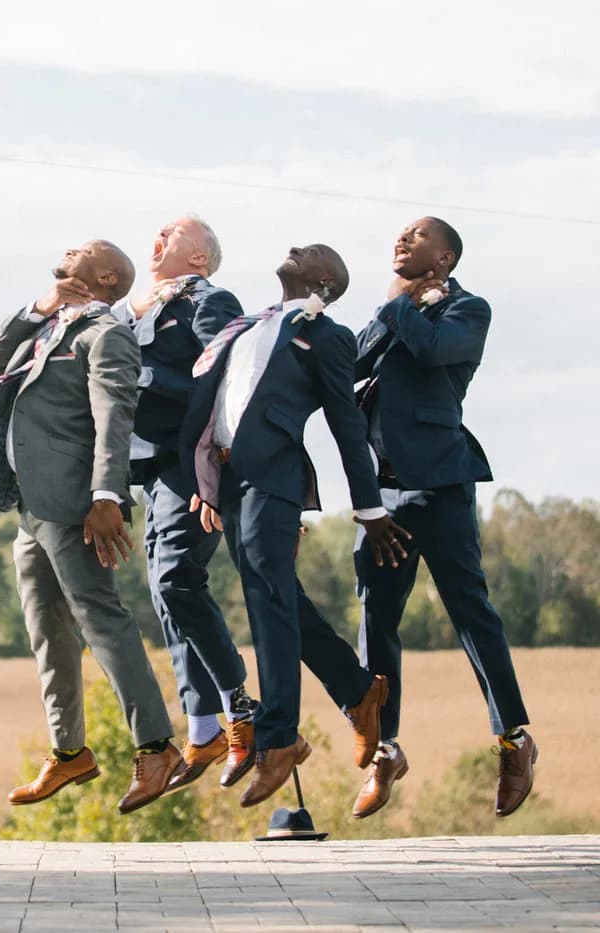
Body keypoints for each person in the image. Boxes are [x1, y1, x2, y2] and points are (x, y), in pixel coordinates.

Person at [180, 244, 408, 808]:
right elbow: (219, 403)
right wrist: (203, 478)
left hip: (275, 477)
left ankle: (279, 740)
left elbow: (346, 424)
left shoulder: (326, 335)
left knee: (267, 599)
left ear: (324, 279)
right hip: (226, 480)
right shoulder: (246, 325)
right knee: (280, 598)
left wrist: (370, 507)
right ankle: (358, 691)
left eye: (307, 252)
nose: (291, 249)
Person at [0, 240, 181, 815]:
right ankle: (69, 752)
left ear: (106, 275)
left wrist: (107, 494)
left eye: (83, 250)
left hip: (76, 506)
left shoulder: (104, 333)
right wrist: (39, 308)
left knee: (101, 622)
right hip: (30, 509)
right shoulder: (48, 325)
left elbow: (115, 415)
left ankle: (157, 747)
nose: (68, 248)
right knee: (48, 632)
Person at [351, 217, 536, 820]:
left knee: (470, 613)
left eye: (418, 234)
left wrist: (397, 302)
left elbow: (433, 353)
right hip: (385, 496)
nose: (401, 239)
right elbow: (354, 367)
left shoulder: (467, 310)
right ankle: (386, 749)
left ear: (447, 256)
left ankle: (514, 740)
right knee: (376, 620)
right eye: (399, 233)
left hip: (443, 483)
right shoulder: (391, 312)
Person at [113, 216, 258, 793]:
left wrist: (218, 468)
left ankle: (241, 709)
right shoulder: (132, 309)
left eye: (176, 232)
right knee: (164, 592)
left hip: (190, 462)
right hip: (148, 470)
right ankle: (202, 729)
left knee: (175, 579)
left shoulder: (210, 299)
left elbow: (223, 376)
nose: (160, 233)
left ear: (198, 259)